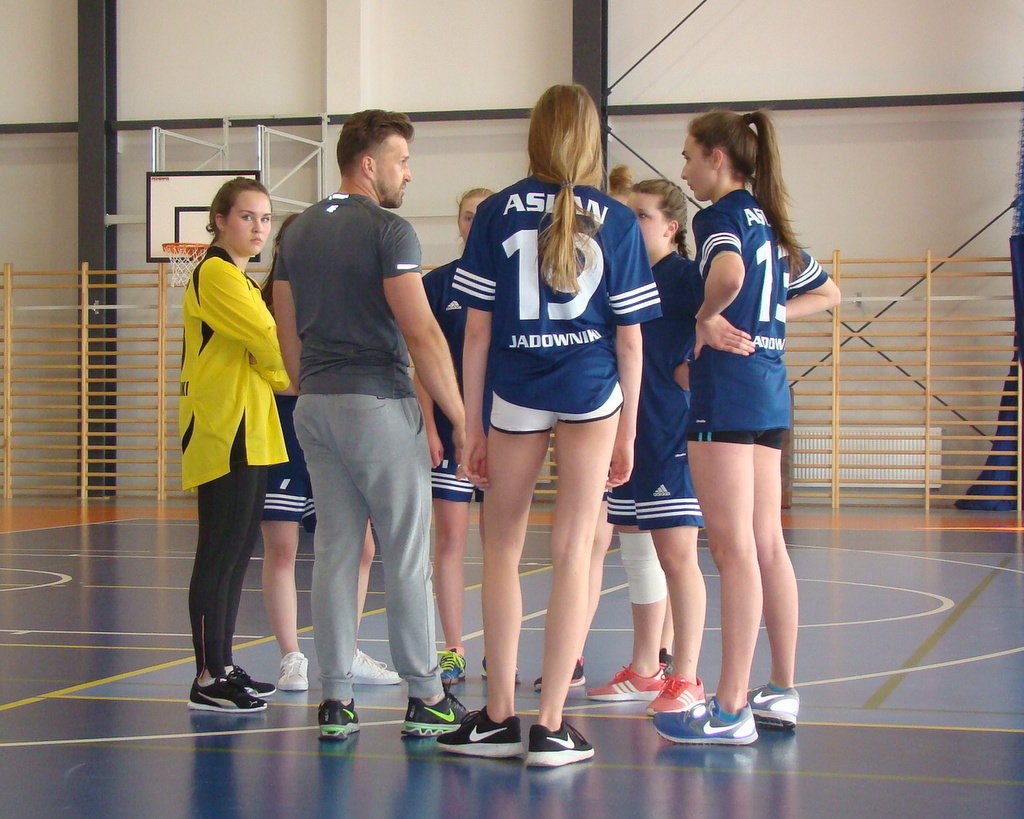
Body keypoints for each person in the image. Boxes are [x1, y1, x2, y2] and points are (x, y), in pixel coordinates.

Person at [437, 83, 660, 767]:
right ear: (591, 141)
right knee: (574, 551)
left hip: (516, 391)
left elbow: (476, 333)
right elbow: (631, 341)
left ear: (534, 136)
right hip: (591, 391)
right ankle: (553, 724)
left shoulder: (496, 211)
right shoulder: (616, 219)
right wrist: (627, 431)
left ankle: (498, 715)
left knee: (501, 549)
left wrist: (471, 424)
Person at [272, 109, 468, 740]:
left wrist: (313, 385)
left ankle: (335, 701)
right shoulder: (389, 230)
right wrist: (461, 416)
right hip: (378, 404)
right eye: (401, 161)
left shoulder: (297, 232)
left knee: (335, 552)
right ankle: (427, 696)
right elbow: (421, 330)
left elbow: (285, 331)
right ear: (368, 164)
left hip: (316, 406)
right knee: (405, 555)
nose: (408, 174)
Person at [653, 110, 840, 746]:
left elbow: (729, 276)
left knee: (733, 550)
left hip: (727, 393)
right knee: (766, 545)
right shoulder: (770, 222)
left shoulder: (719, 217)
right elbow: (830, 292)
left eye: (688, 156)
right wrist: (770, 316)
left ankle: (731, 707)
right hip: (768, 388)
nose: (684, 170)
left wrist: (707, 316)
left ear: (717, 158)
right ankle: (781, 688)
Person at [259, 216, 399, 693]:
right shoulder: (264, 300)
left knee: (362, 546)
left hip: (334, 429)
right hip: (282, 431)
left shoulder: (337, 298)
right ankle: (290, 655)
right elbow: (273, 368)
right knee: (282, 547)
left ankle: (346, 650)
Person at [587, 179, 706, 715]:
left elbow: (728, 318)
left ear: (670, 227)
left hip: (667, 433)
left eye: (642, 215)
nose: (630, 223)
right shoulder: (622, 274)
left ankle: (687, 677)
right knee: (637, 552)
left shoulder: (684, 277)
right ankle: (644, 669)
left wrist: (694, 367)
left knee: (677, 556)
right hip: (625, 432)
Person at [181, 177, 288, 713]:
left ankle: (222, 664)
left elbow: (263, 338)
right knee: (218, 553)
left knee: (239, 553)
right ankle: (206, 675)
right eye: (247, 216)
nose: (258, 228)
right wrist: (281, 371)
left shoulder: (242, 279)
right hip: (224, 430)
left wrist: (269, 365)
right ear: (221, 220)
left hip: (251, 428)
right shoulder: (217, 273)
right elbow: (267, 336)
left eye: (265, 218)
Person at [414, 187, 494, 687]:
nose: (474, 223)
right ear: (458, 222)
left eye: (483, 216)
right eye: (467, 216)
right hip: (448, 428)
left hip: (503, 428)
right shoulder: (438, 284)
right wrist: (429, 424)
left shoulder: (516, 283)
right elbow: (423, 360)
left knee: (501, 544)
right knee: (450, 539)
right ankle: (453, 648)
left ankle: (500, 649)